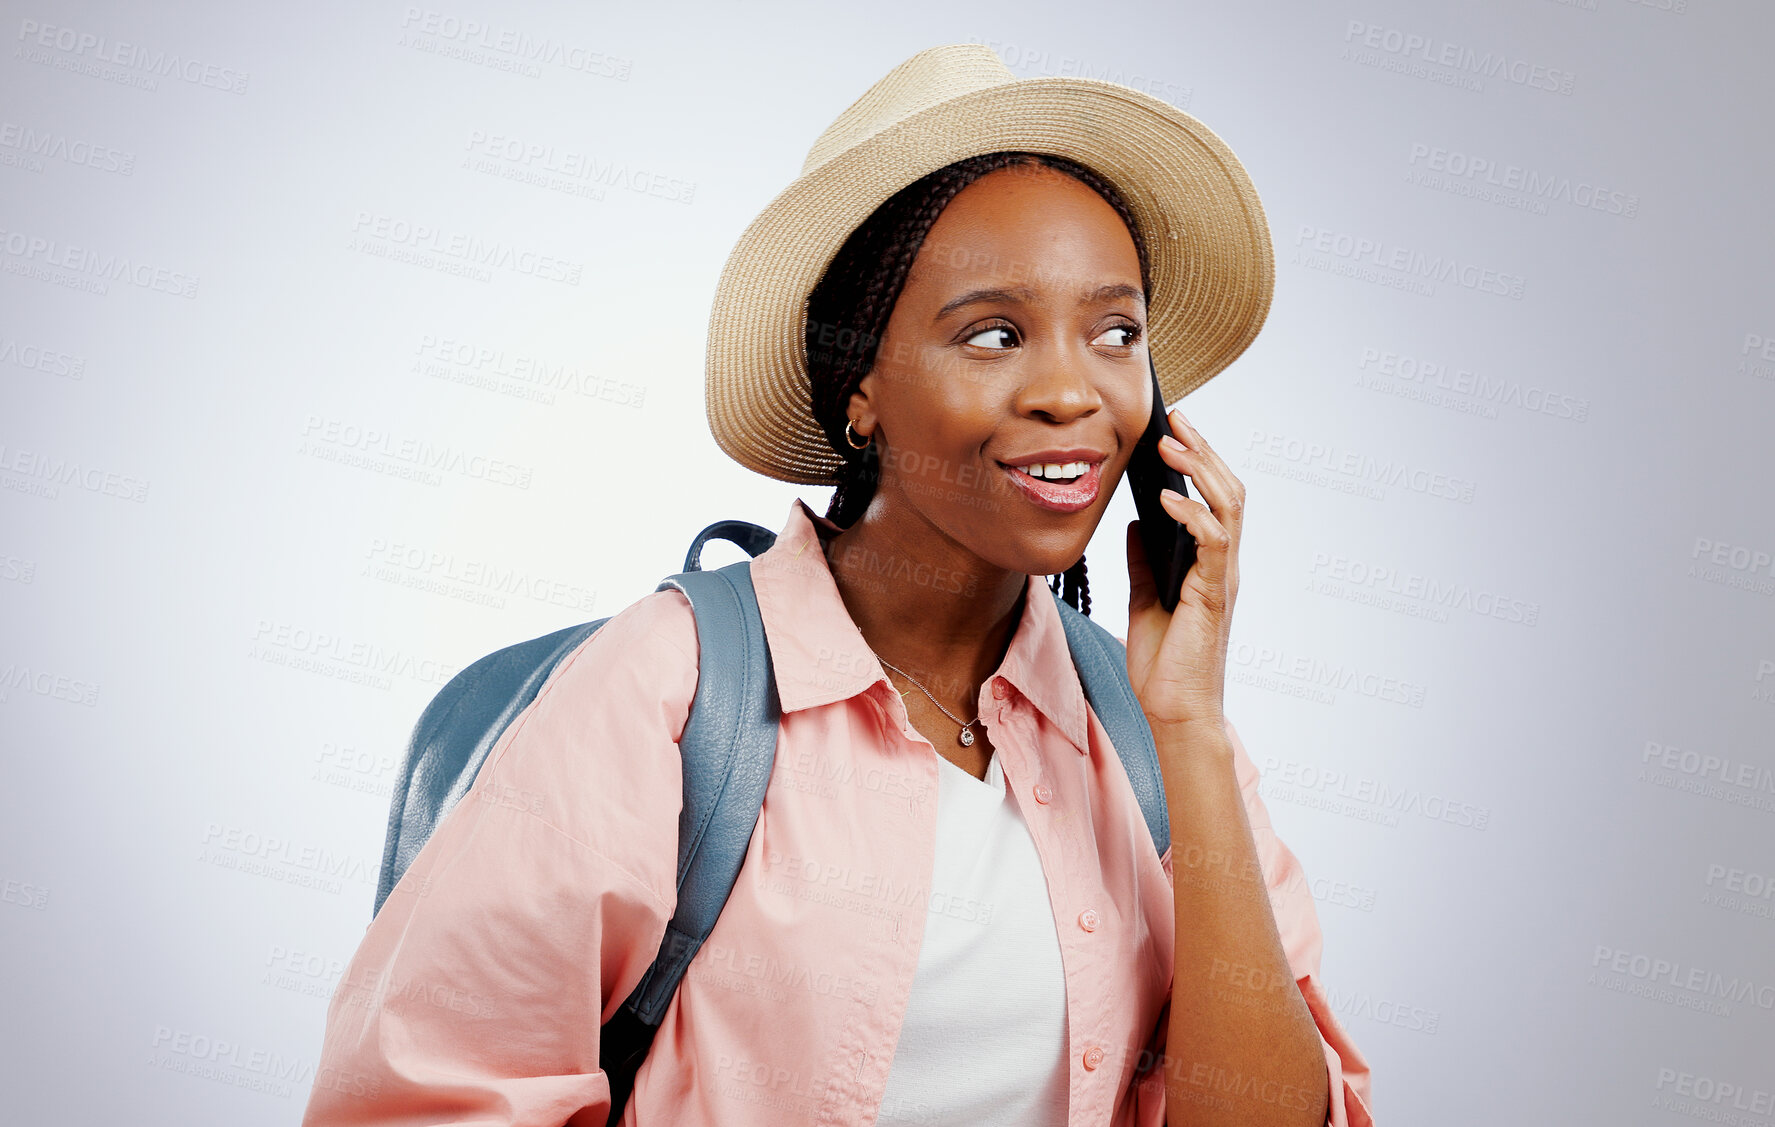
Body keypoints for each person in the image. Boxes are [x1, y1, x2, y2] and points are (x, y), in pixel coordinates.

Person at [302, 43, 1374, 1127]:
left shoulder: (1146, 729)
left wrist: (1188, 724)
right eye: (994, 333)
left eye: (1115, 332)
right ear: (858, 387)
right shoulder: (665, 689)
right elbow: (425, 1102)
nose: (1070, 389)